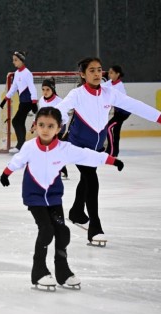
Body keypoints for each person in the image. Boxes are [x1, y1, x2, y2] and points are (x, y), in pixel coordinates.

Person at [0, 107, 124, 288]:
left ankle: (62, 271)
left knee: (62, 232)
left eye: (50, 126)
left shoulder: (65, 149)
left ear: (59, 129)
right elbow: (17, 161)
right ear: (35, 125)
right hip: (34, 196)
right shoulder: (29, 147)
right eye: (41, 125)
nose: (45, 129)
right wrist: (6, 173)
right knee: (46, 230)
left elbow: (87, 155)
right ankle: (39, 270)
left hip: (54, 195)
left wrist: (111, 160)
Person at [55, 57, 161, 243]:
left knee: (87, 178)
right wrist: (52, 123)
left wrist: (159, 117)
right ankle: (95, 227)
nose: (97, 74)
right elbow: (60, 111)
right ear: (83, 74)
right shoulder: (77, 94)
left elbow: (134, 105)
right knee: (91, 179)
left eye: (99, 70)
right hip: (77, 145)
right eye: (92, 71)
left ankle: (77, 211)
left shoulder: (109, 93)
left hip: (96, 147)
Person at [0, 51, 38, 154]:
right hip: (23, 102)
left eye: (15, 60)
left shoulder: (27, 73)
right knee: (19, 121)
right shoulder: (17, 73)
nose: (13, 62)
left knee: (16, 121)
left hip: (28, 102)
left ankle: (20, 145)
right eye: (13, 60)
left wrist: (34, 102)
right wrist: (5, 99)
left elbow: (32, 87)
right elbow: (14, 87)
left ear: (21, 60)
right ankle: (22, 145)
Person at [37, 77, 68, 178]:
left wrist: (59, 127)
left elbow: (65, 117)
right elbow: (40, 114)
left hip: (59, 129)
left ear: (53, 89)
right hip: (48, 129)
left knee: (55, 150)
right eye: (43, 89)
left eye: (47, 89)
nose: (45, 92)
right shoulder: (41, 100)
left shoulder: (59, 101)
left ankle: (61, 171)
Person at [102, 65, 129, 157]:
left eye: (111, 72)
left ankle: (111, 150)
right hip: (118, 112)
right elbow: (101, 86)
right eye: (109, 72)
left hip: (123, 112)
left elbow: (116, 100)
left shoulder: (119, 86)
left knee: (109, 127)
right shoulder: (110, 82)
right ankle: (114, 151)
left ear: (118, 74)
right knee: (116, 131)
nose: (109, 74)